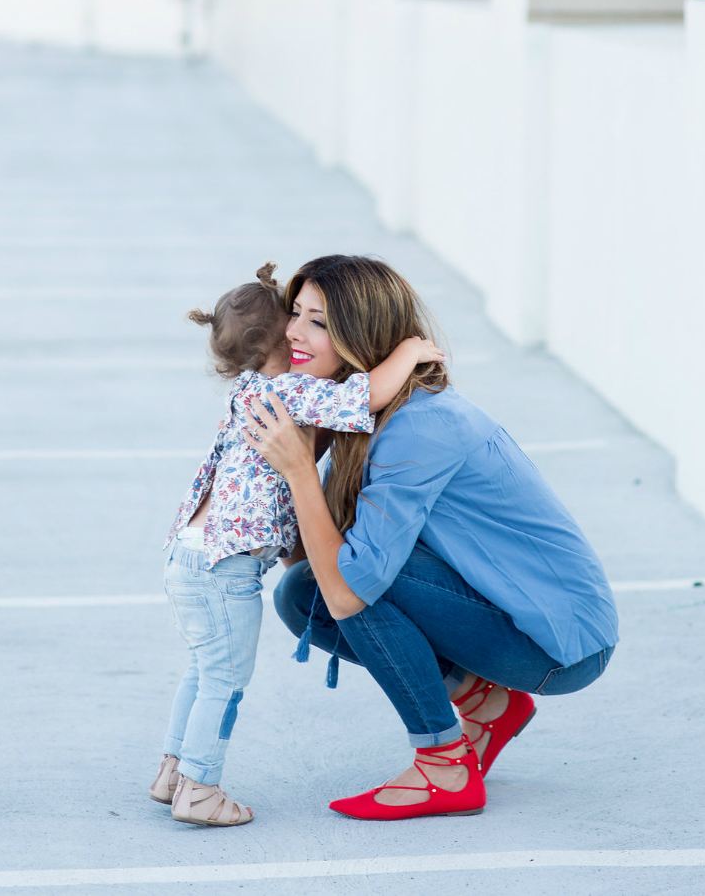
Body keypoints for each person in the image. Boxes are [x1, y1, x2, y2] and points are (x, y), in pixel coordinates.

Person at [244, 254, 619, 821]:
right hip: (506, 613)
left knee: (355, 582)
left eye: (317, 321)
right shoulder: (361, 416)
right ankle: (484, 701)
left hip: (556, 644)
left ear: (361, 334)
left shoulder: (418, 426)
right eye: (295, 313)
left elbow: (348, 589)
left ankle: (444, 765)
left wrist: (298, 471)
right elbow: (310, 566)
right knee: (302, 593)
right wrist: (312, 447)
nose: (293, 331)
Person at [150, 261, 445, 827]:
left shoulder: (249, 388)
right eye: (292, 321)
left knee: (201, 670)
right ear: (276, 342)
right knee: (225, 682)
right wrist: (409, 352)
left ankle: (173, 772)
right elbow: (369, 394)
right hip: (223, 567)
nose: (298, 332)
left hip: (190, 555)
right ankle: (200, 790)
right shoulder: (291, 392)